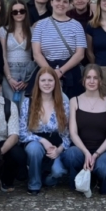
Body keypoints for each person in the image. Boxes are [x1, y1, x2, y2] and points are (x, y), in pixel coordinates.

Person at [63, 65, 106, 195]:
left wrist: (95, 154)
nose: (92, 81)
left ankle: (97, 178)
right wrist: (87, 153)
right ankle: (79, 175)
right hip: (80, 150)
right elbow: (73, 133)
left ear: (100, 81)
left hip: (102, 151)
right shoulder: (74, 101)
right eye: (88, 77)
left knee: (105, 168)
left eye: (95, 78)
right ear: (83, 81)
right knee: (70, 155)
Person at [19, 67, 70, 195]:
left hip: (55, 146)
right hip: (35, 142)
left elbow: (67, 135)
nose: (47, 83)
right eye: (43, 80)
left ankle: (45, 177)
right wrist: (42, 140)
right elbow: (22, 133)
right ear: (38, 82)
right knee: (34, 149)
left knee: (58, 172)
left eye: (50, 80)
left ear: (55, 82)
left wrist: (59, 150)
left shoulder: (64, 104)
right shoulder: (27, 102)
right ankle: (34, 184)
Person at [32, 0, 86, 98]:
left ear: (69, 5)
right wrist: (50, 73)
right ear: (51, 2)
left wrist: (61, 71)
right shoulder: (40, 25)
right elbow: (36, 54)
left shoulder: (77, 25)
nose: (61, 4)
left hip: (70, 72)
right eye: (58, 0)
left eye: (65, 2)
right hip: (45, 72)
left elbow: (80, 54)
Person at [0, 0, 35, 104]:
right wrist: (9, 78)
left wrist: (28, 79)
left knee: (25, 106)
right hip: (9, 70)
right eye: (15, 12)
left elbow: (36, 56)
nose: (19, 14)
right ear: (11, 14)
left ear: (26, 12)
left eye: (22, 11)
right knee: (10, 106)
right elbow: (3, 55)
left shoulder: (32, 31)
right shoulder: (3, 30)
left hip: (27, 70)